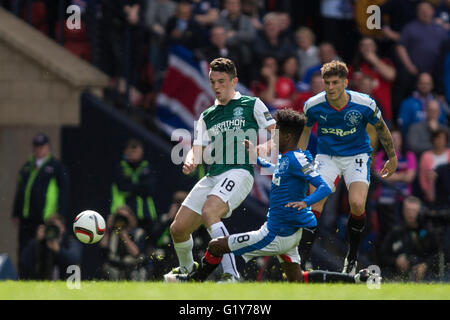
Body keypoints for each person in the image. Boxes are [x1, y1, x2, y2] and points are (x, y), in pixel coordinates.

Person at [165, 109, 374, 284]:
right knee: (297, 279)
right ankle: (356, 280)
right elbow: (278, 170)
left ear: (289, 136)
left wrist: (306, 202)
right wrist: (258, 159)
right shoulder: (287, 159)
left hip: (275, 233)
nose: (274, 137)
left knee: (216, 245)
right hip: (290, 233)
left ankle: (193, 281)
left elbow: (324, 187)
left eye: (278, 133)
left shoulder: (298, 159)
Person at [165, 57, 276, 282]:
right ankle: (187, 271)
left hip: (239, 171)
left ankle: (231, 274)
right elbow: (196, 148)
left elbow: (276, 133)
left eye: (222, 81)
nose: (216, 87)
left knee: (210, 212)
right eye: (213, 81)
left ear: (234, 81)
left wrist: (262, 148)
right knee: (178, 229)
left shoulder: (251, 104)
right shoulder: (207, 115)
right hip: (212, 175)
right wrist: (190, 160)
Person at [297, 60, 398, 274]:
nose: (331, 87)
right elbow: (304, 131)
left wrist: (392, 156)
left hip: (357, 156)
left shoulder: (365, 103)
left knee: (357, 204)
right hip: (327, 156)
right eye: (327, 83)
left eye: (335, 82)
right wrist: (301, 158)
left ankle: (350, 260)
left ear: (345, 82)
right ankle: (300, 261)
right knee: (313, 205)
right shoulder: (313, 104)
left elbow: (381, 128)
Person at [12, 133, 70, 278]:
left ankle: (44, 281)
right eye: (36, 146)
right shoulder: (27, 166)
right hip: (27, 220)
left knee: (45, 253)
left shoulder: (55, 167)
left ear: (48, 147)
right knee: (25, 253)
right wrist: (16, 212)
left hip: (45, 220)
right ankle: (24, 282)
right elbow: (21, 191)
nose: (39, 150)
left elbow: (63, 193)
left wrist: (59, 217)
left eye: (42, 146)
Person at [373, 129, 417, 253]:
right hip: (383, 202)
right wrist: (401, 175)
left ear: (402, 140)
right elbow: (378, 176)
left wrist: (389, 176)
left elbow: (410, 177)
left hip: (403, 201)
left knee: (402, 231)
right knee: (384, 232)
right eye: (391, 138)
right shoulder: (380, 156)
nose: (394, 141)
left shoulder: (409, 155)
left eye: (397, 138)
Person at [379, 196, 439, 282]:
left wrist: (425, 265)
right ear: (403, 211)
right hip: (398, 277)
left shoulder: (429, 231)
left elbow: (438, 255)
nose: (410, 214)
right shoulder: (395, 232)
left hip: (426, 278)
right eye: (408, 210)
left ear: (420, 212)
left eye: (414, 211)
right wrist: (396, 261)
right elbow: (382, 255)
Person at [110, 139, 158, 235]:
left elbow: (150, 189)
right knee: (120, 238)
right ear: (126, 151)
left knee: (146, 243)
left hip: (147, 214)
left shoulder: (146, 166)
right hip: (125, 212)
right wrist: (141, 187)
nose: (134, 154)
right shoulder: (120, 167)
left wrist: (133, 187)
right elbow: (122, 187)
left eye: (137, 151)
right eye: (132, 151)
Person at [349, 37, 396, 124]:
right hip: (359, 114)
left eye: (370, 45)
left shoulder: (385, 62)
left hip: (383, 114)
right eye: (364, 45)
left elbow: (391, 75)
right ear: (360, 49)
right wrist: (356, 83)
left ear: (375, 47)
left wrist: (373, 59)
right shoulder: (354, 67)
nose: (367, 48)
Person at [19, 214, 81, 280]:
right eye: (50, 227)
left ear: (63, 228)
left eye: (55, 227)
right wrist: (36, 242)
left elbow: (74, 259)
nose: (52, 231)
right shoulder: (41, 243)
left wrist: (59, 250)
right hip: (43, 284)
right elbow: (24, 261)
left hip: (66, 282)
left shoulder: (69, 241)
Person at [100, 205, 147, 281]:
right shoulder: (112, 233)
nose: (122, 221)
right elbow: (103, 246)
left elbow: (135, 253)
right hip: (114, 268)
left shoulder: (139, 232)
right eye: (119, 217)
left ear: (131, 218)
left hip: (133, 269)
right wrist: (107, 229)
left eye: (124, 218)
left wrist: (124, 235)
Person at [397, 73, 448, 139]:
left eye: (427, 84)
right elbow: (403, 126)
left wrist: (436, 126)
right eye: (422, 83)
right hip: (413, 140)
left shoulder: (438, 104)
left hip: (436, 140)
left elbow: (443, 124)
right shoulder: (407, 103)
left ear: (432, 85)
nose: (425, 86)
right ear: (417, 84)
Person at [418, 128, 450, 205]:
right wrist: (427, 192)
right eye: (437, 138)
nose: (440, 141)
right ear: (433, 139)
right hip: (432, 194)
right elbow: (422, 177)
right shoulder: (425, 156)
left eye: (442, 138)